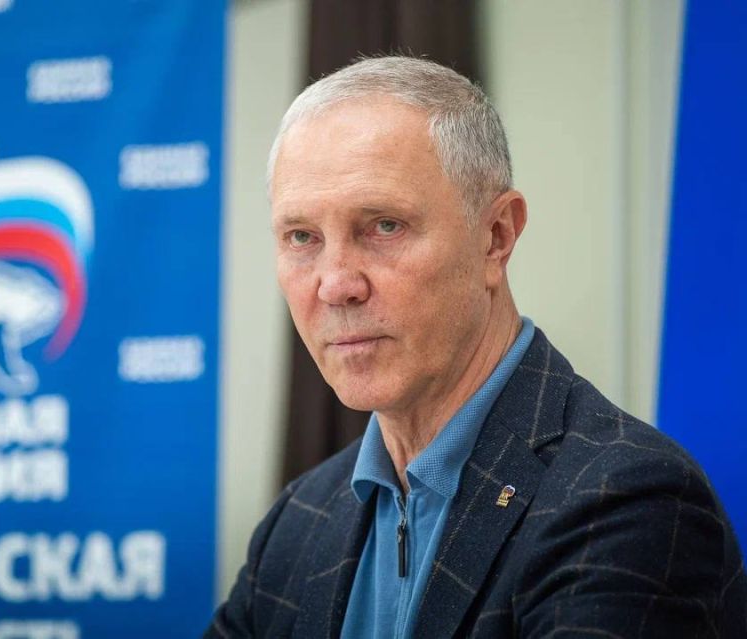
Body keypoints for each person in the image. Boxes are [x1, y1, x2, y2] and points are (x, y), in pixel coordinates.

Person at [206, 56, 747, 638]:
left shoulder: (628, 501)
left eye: (384, 226)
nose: (336, 285)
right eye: (301, 237)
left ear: (496, 236)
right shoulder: (295, 522)